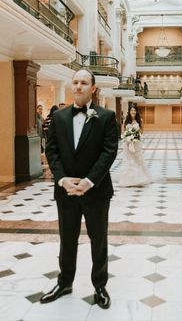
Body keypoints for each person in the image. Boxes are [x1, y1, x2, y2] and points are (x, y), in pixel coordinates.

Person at [40, 69, 118, 309]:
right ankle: (64, 282)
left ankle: (100, 286)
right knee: (67, 238)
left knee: (98, 239)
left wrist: (89, 181)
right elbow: (51, 151)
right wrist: (62, 180)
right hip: (66, 191)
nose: (79, 87)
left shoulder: (105, 117)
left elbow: (109, 151)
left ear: (93, 88)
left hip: (96, 191)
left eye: (84, 83)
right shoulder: (60, 118)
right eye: (75, 82)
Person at [118, 104, 152, 187]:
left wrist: (135, 136)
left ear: (136, 112)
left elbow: (141, 132)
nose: (133, 112)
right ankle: (128, 179)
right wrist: (128, 137)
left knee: (137, 160)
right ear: (129, 112)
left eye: (134, 110)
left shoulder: (140, 120)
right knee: (128, 160)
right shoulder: (126, 120)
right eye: (131, 110)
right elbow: (123, 131)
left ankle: (139, 178)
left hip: (136, 143)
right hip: (127, 143)